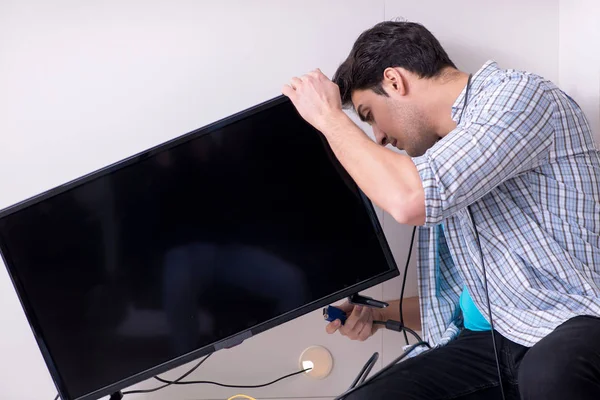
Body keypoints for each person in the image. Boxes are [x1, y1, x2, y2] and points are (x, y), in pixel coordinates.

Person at [282, 20, 600, 400]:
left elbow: (409, 200)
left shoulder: (520, 96)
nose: (379, 137)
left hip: (574, 321)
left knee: (550, 375)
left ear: (395, 81)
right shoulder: (445, 155)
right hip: (491, 343)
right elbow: (478, 302)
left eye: (368, 114)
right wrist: (380, 313)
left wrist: (329, 118)